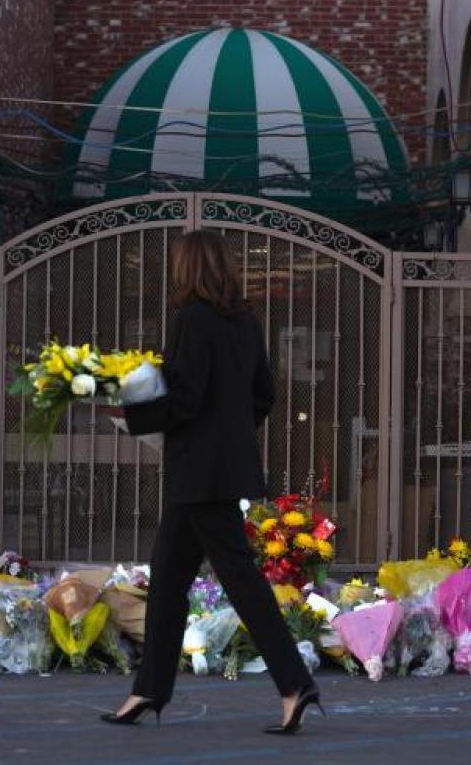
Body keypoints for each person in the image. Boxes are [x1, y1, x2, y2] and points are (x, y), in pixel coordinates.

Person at [100, 230, 322, 735]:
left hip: (198, 472)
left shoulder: (190, 319)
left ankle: (293, 682)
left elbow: (184, 400)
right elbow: (263, 396)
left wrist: (127, 413)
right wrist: (231, 431)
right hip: (220, 468)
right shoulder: (246, 322)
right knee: (169, 580)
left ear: (189, 268)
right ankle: (148, 691)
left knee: (240, 582)